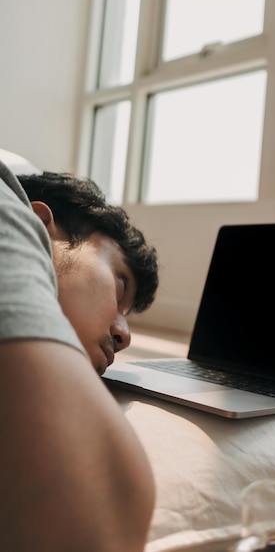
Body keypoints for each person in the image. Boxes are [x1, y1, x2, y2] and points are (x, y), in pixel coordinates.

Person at [0, 160, 159, 552]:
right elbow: (102, 512)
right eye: (120, 285)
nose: (124, 334)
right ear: (40, 224)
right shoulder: (10, 212)